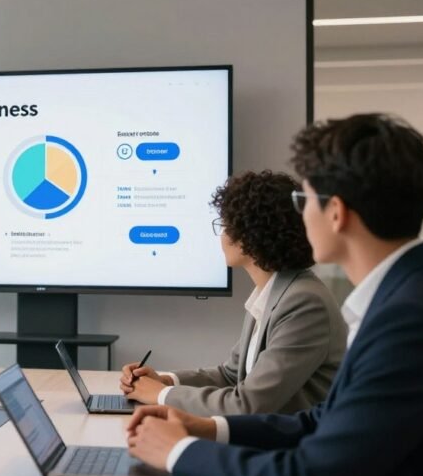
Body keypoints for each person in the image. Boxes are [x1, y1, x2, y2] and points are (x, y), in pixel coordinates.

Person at [127, 114, 423, 476]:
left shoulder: (411, 320)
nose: (300, 218)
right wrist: (207, 428)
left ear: (336, 213)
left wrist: (179, 452)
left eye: (303, 202)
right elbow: (320, 421)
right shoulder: (410, 296)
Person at [120, 170, 346, 416]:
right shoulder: (273, 292)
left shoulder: (303, 303)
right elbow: (230, 375)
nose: (223, 235)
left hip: (288, 448)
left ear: (251, 233)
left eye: (226, 225)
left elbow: (247, 404)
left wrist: (159, 395)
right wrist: (167, 381)